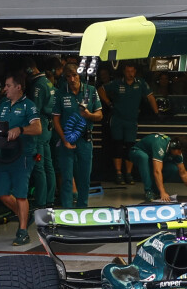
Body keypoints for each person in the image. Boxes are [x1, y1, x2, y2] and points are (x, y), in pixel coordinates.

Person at [0, 73, 42, 246]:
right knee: (2, 193)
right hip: (4, 155)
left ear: (18, 87)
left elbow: (37, 128)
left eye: (7, 85)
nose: (4, 89)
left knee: (21, 195)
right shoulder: (3, 105)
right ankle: (25, 216)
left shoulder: (29, 105)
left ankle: (22, 231)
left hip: (23, 156)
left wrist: (20, 129)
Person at [53, 58, 99, 209]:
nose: (72, 79)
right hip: (67, 140)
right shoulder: (60, 93)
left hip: (85, 140)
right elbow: (56, 119)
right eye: (68, 76)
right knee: (66, 178)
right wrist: (64, 139)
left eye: (74, 75)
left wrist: (88, 115)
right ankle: (67, 211)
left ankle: (82, 208)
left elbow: (100, 115)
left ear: (80, 76)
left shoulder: (90, 91)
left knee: (84, 178)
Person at [102, 62, 154, 185]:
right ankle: (119, 173)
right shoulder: (117, 83)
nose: (130, 74)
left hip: (131, 121)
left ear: (135, 72)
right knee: (118, 146)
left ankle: (129, 174)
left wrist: (156, 112)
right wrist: (109, 103)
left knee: (130, 148)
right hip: (117, 120)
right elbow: (101, 89)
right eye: (127, 71)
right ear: (124, 72)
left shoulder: (140, 82)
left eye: (132, 71)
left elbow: (151, 96)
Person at [129, 131, 187, 202]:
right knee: (143, 157)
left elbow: (183, 173)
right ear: (173, 146)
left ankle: (155, 189)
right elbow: (157, 171)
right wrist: (163, 192)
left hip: (151, 158)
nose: (180, 154)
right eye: (179, 151)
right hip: (136, 152)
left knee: (173, 168)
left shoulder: (178, 154)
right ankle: (149, 191)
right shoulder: (159, 145)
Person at [26, 59, 60, 209]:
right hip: (47, 128)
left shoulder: (38, 85)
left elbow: (35, 110)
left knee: (39, 166)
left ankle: (41, 201)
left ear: (29, 69)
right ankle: (49, 199)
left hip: (39, 130)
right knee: (48, 165)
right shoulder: (47, 82)